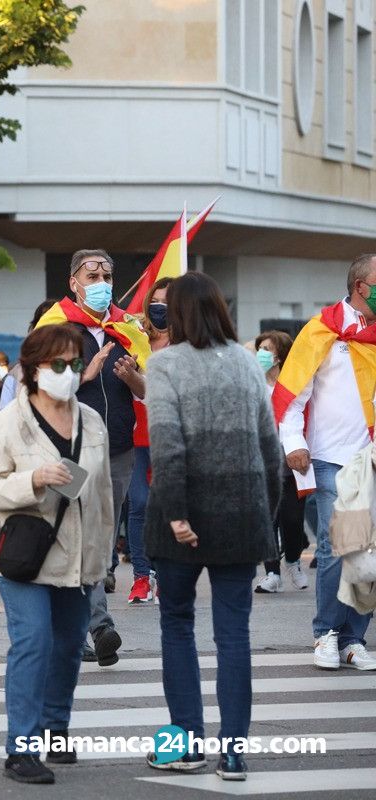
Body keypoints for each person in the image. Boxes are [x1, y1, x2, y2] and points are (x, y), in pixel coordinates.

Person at [144, 272, 283, 780]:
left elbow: (168, 444)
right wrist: (263, 518)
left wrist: (177, 513)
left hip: (180, 519)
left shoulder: (165, 364)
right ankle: (233, 753)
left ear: (176, 313)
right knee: (234, 636)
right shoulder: (248, 363)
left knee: (177, 627)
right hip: (242, 517)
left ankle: (187, 743)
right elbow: (271, 449)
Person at [0, 323, 114, 785]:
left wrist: (102, 557)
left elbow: (104, 496)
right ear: (33, 369)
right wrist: (33, 480)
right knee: (33, 640)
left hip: (77, 554)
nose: (68, 372)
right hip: (21, 553)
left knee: (70, 643)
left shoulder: (91, 421)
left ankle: (56, 728)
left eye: (75, 364)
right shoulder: (8, 422)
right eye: (59, 364)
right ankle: (22, 748)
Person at [37, 251, 150, 666]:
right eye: (92, 274)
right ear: (73, 282)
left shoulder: (126, 328)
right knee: (76, 533)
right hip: (69, 451)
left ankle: (78, 626)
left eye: (107, 274)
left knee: (99, 540)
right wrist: (82, 376)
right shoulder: (55, 325)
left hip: (118, 449)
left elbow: (147, 389)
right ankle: (99, 625)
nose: (101, 281)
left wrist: (133, 377)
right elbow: (39, 388)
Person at [275, 253, 376, 670]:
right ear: (360, 286)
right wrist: (293, 442)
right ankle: (326, 634)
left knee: (367, 552)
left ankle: (354, 638)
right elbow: (291, 394)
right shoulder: (320, 332)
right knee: (338, 548)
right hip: (333, 458)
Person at [124, 277, 172, 604]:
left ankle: (164, 571)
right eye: (155, 301)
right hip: (135, 432)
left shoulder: (190, 344)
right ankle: (142, 576)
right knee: (138, 503)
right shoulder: (133, 338)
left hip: (170, 435)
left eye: (168, 303)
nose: (160, 308)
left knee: (167, 507)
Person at [252, 330, 309, 594]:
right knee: (267, 520)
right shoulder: (252, 385)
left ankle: (294, 559)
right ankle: (272, 574)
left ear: (281, 355)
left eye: (268, 349)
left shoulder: (293, 386)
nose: (262, 353)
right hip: (262, 465)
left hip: (291, 467)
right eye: (259, 348)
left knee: (293, 521)